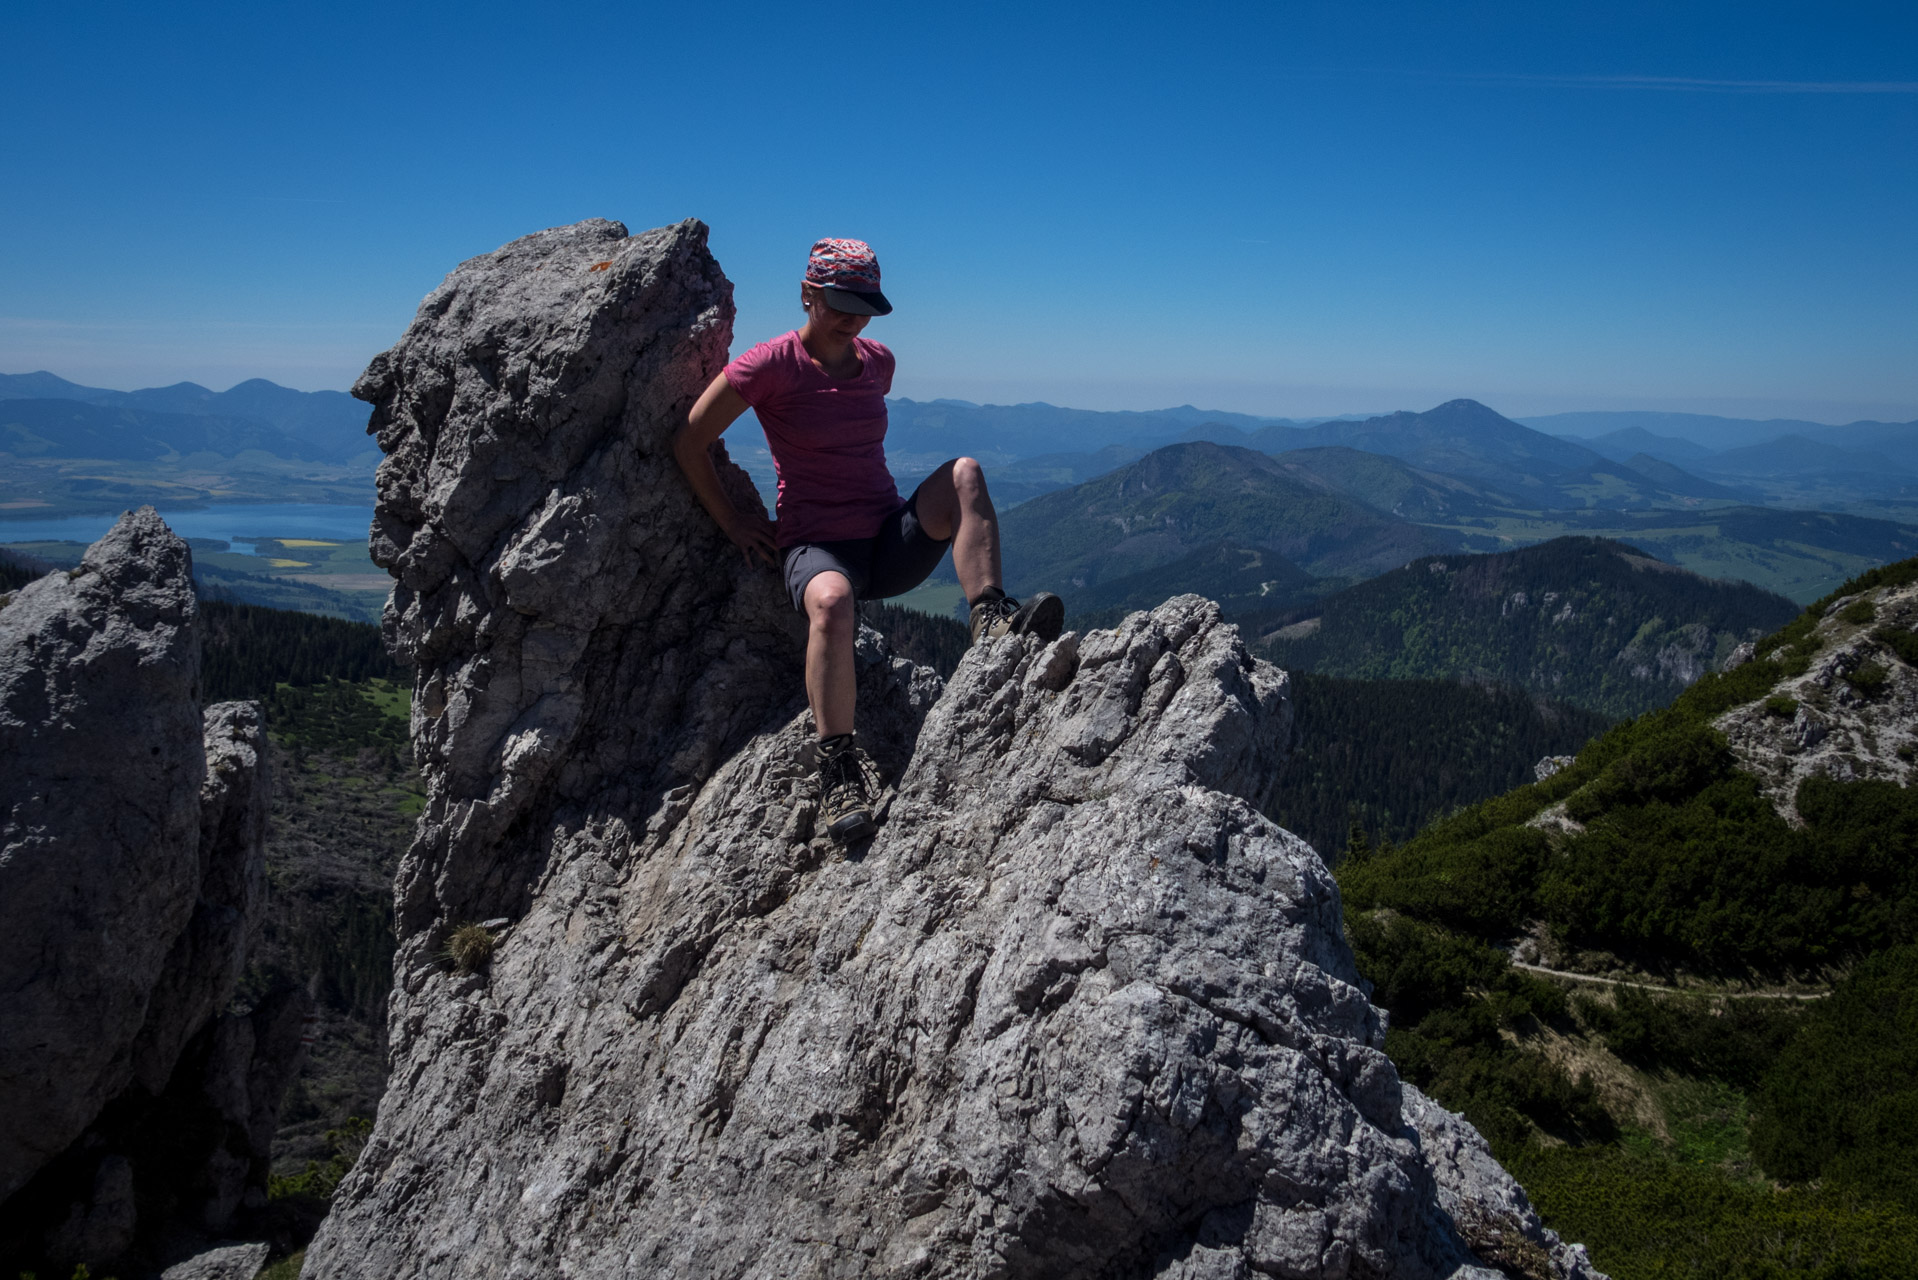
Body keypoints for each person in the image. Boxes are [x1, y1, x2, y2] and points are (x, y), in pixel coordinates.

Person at [674, 237, 1063, 844]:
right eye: (840, 302)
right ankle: (838, 769)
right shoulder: (769, 364)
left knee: (965, 472)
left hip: (886, 540)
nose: (854, 316)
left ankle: (989, 619)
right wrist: (733, 522)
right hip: (818, 548)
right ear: (808, 295)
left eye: (865, 304)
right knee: (830, 602)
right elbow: (690, 440)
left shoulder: (877, 361)